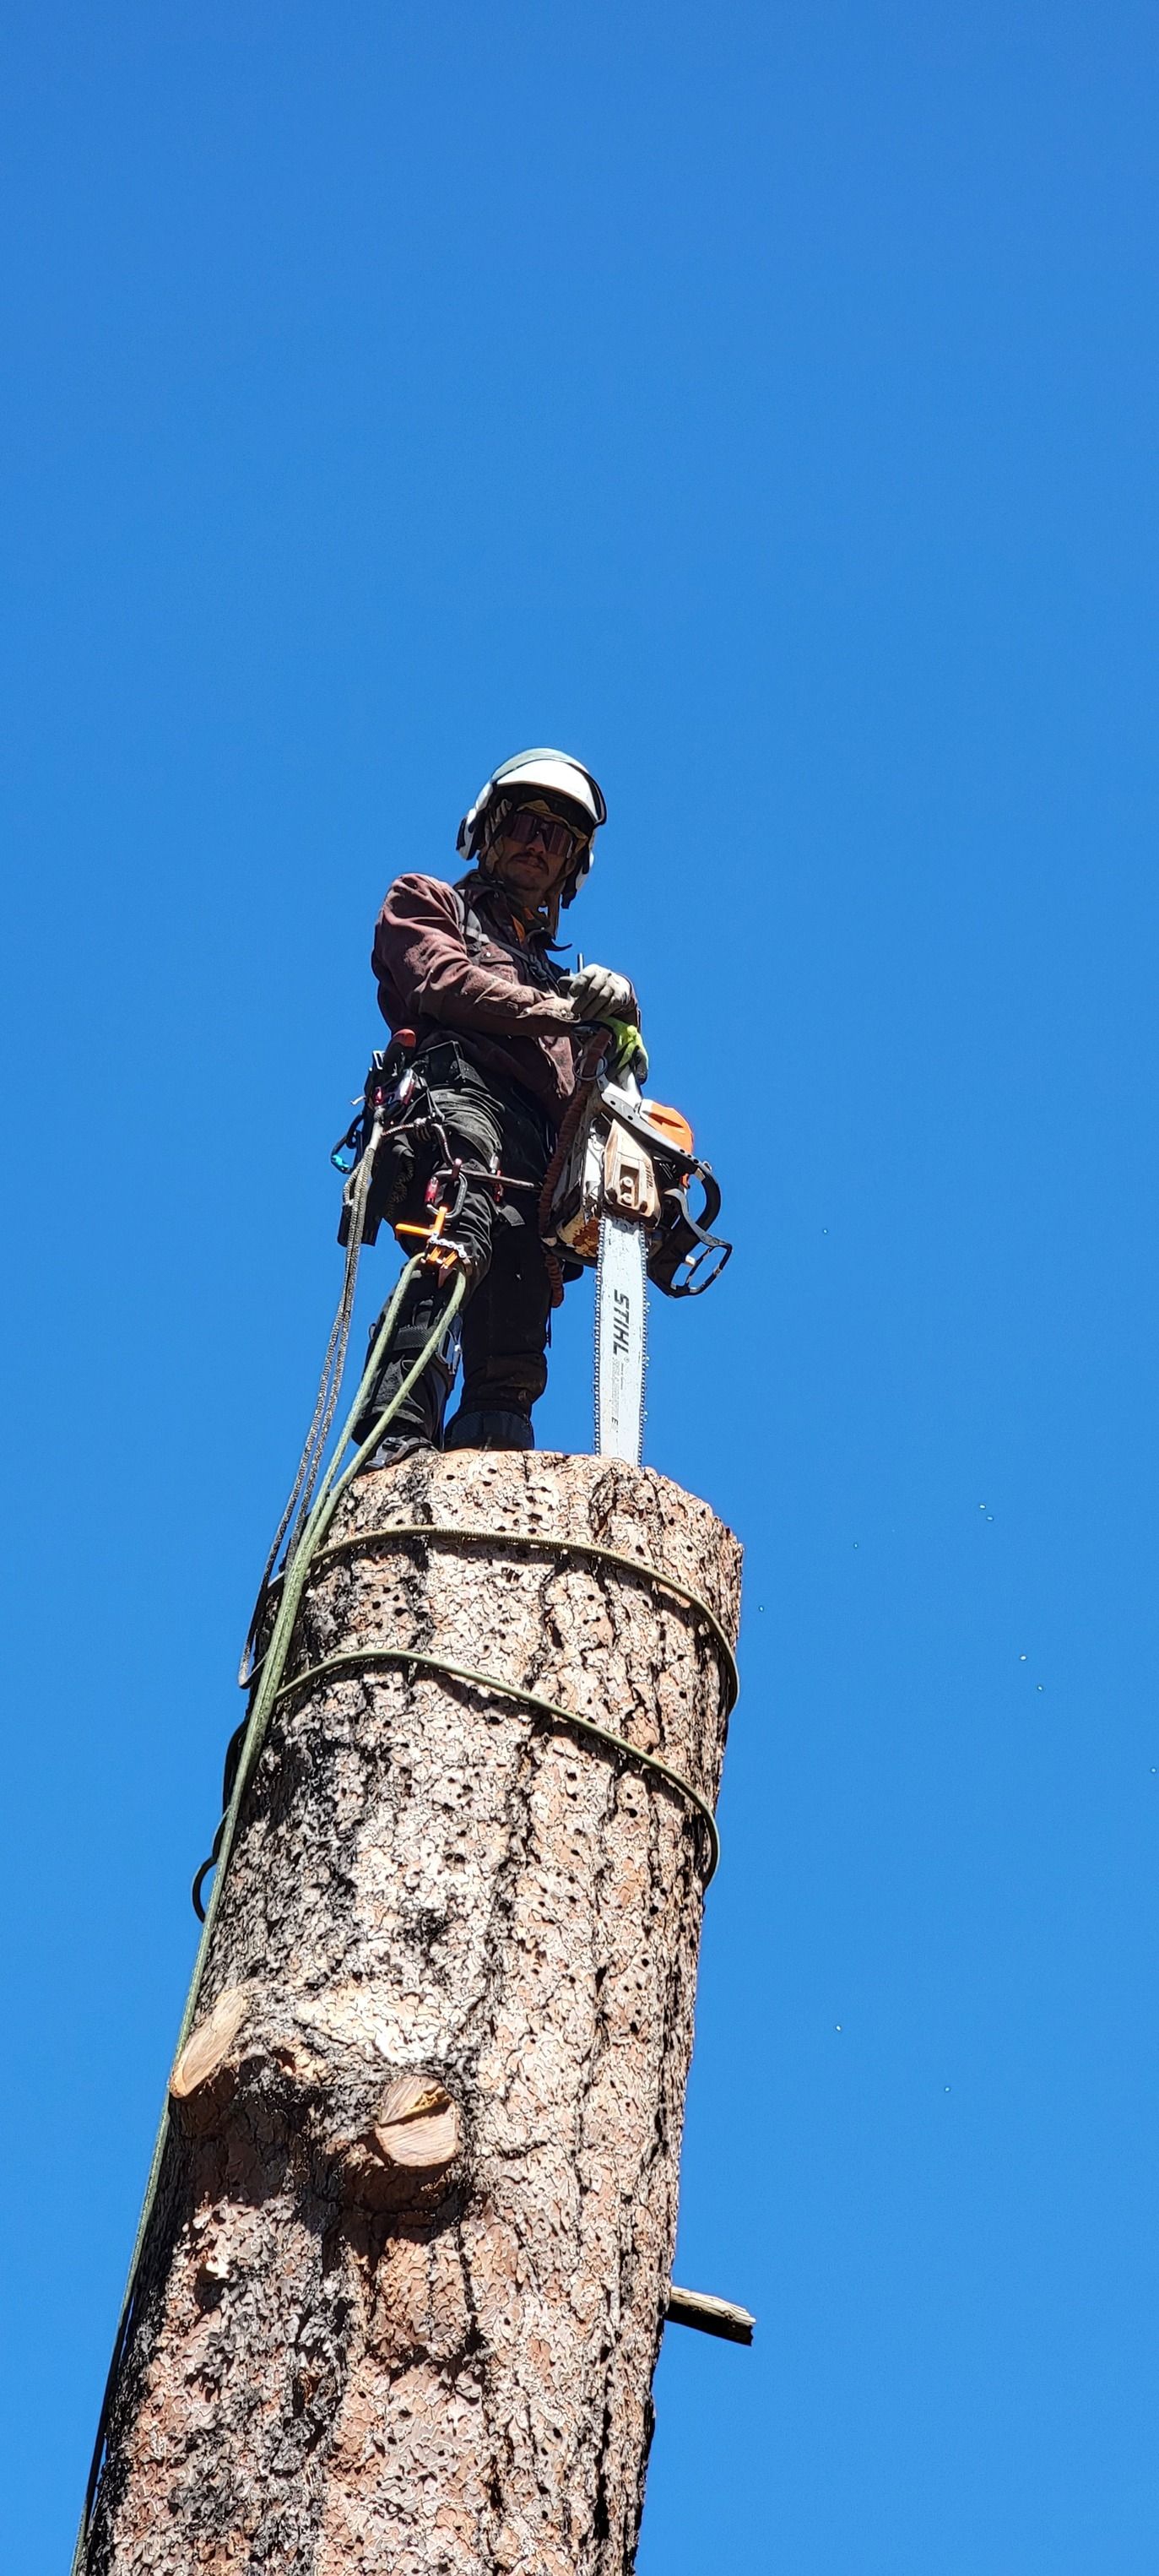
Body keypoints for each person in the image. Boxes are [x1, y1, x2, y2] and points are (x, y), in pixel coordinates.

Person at [355, 748, 642, 1462]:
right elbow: (442, 982)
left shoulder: (564, 986)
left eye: (558, 837)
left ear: (573, 865)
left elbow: (606, 1096)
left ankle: (490, 1468)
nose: (538, 845)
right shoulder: (426, 902)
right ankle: (395, 1449)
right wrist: (562, 1009)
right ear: (487, 831)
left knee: (518, 1303)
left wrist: (618, 1028)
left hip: (539, 1149)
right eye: (525, 824)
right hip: (456, 1100)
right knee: (459, 1233)